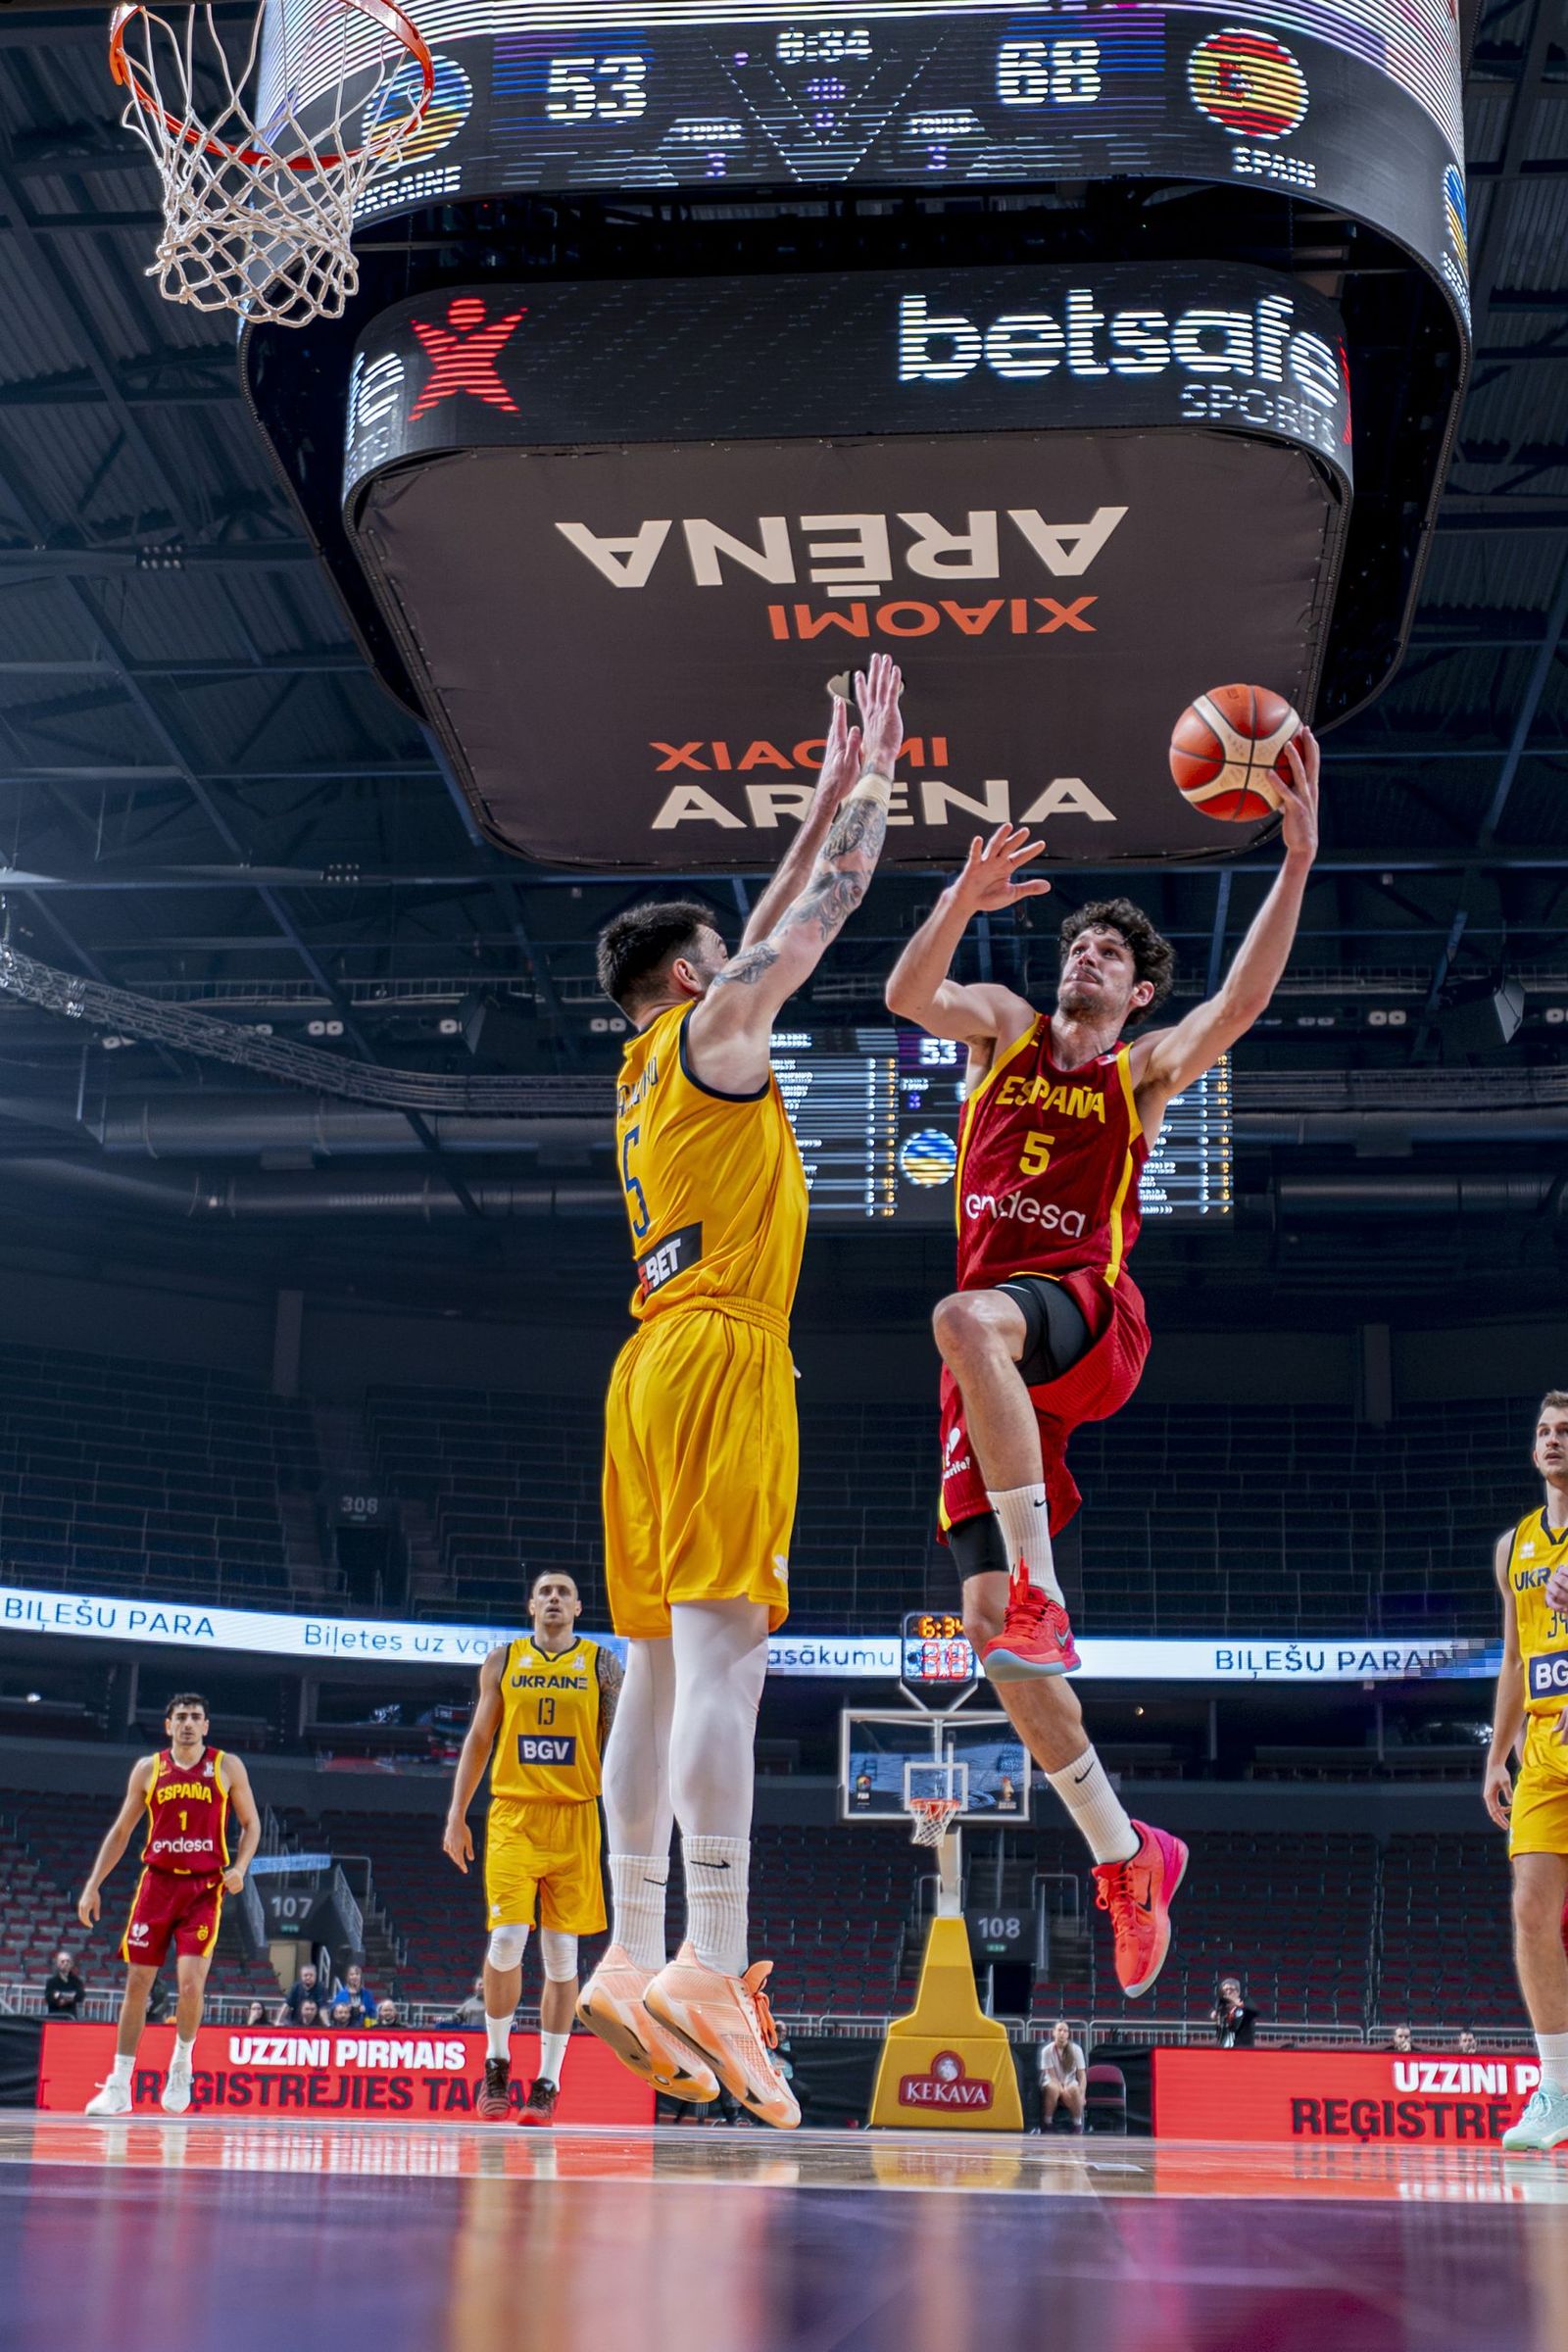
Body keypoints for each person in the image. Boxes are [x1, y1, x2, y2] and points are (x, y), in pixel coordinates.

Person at [884, 731, 1319, 2000]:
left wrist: (1292, 859)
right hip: (1004, 1379)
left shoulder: (1138, 1075)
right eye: (1082, 942)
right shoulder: (1003, 1033)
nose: (1090, 955)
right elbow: (913, 996)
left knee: (964, 1318)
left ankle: (1039, 1583)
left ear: (1135, 997)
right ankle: (1132, 1860)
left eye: (1116, 955)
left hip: (1089, 1319)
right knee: (1000, 1663)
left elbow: (1237, 1004)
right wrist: (962, 900)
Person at [577, 657, 905, 2131]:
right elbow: (809, 924)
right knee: (728, 1661)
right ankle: (711, 1952)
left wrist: (830, 796)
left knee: (651, 1665)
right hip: (720, 1353)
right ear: (696, 976)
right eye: (728, 953)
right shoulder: (713, 1037)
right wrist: (866, 790)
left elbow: (765, 935)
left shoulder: (644, 1070)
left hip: (641, 1366)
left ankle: (629, 1948)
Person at [444, 1569, 620, 2127]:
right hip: (514, 1814)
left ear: (578, 1608)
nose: (552, 1599)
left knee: (563, 1957)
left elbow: (618, 1750)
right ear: (530, 1605)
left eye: (563, 1592)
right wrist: (456, 1814)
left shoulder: (602, 1665)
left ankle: (547, 2083)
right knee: (506, 1940)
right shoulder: (502, 1660)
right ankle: (496, 2065)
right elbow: (478, 1740)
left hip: (575, 1817)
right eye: (544, 1592)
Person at [76, 1690, 260, 2116]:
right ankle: (120, 2084)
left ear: (206, 1725)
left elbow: (252, 1825)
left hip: (204, 1888)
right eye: (181, 1717)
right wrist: (93, 1884)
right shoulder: (149, 1769)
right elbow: (122, 1832)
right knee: (137, 1983)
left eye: (196, 1716)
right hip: (157, 1885)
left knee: (191, 1983)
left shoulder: (226, 1766)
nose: (189, 1723)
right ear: (168, 1725)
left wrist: (241, 1867)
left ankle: (181, 2065)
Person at [1483, 1391, 1568, 2149]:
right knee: (1532, 1911)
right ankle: (1557, 2092)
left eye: (1566, 1431)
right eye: (1544, 1431)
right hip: (1544, 1744)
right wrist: (1494, 1754)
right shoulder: (1517, 1546)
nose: (1553, 1441)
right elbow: (1514, 1658)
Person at [1038, 2020, 1087, 2129]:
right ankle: (1047, 2122)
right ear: (1053, 2032)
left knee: (1075, 2090)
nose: (1062, 2033)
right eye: (1059, 2030)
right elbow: (1051, 2075)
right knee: (1053, 2088)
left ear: (1068, 2034)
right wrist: (1062, 2091)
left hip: (1070, 2083)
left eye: (1065, 2031)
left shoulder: (1076, 2050)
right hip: (1052, 2081)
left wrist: (1082, 2093)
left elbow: (1082, 2075)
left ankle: (1077, 2124)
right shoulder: (1047, 2050)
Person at [1212, 1978, 1257, 2047]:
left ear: (1238, 1992)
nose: (1228, 1992)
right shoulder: (1222, 2009)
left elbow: (1254, 2012)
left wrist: (1240, 2005)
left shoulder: (1246, 2002)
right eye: (1225, 1990)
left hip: (1243, 2047)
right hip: (1226, 2047)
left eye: (1231, 1989)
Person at [43, 1949, 85, 2019]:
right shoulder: (51, 1981)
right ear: (57, 1964)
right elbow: (48, 1998)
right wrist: (58, 1998)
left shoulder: (76, 1981)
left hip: (70, 2018)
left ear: (71, 1964)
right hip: (54, 2017)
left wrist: (66, 1999)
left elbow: (81, 1996)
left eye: (68, 1961)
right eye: (62, 1961)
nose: (65, 1964)